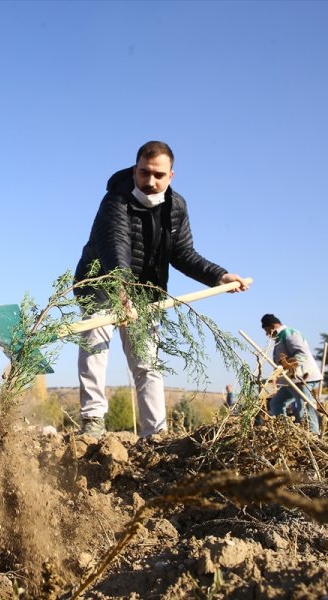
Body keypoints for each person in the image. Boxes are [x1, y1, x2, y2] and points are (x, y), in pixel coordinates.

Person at [74, 140, 249, 439]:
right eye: (144, 173)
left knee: (147, 363)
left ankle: (155, 434)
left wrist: (219, 276)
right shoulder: (115, 201)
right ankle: (92, 421)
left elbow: (183, 254)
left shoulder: (175, 207)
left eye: (158, 175)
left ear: (171, 176)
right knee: (95, 345)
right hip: (104, 284)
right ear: (135, 169)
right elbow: (116, 250)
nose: (150, 181)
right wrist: (122, 295)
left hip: (146, 293)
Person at [260, 314, 320, 434]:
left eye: (267, 330)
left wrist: (287, 366)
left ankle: (312, 435)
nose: (267, 334)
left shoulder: (289, 333)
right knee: (276, 403)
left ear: (272, 326)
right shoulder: (279, 337)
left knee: (304, 407)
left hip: (302, 378)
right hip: (290, 381)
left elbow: (301, 355)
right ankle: (285, 431)